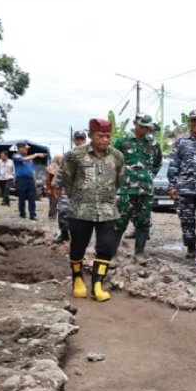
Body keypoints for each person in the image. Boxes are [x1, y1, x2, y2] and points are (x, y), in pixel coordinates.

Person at [62, 118, 124, 302]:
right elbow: (68, 181)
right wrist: (80, 198)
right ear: (90, 136)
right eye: (100, 136)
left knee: (106, 247)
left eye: (108, 136)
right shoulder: (75, 155)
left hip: (107, 210)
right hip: (81, 210)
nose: (105, 140)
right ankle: (77, 279)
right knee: (78, 247)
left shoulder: (117, 156)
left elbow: (118, 180)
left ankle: (98, 284)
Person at [114, 113, 162, 263]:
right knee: (119, 221)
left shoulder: (153, 144)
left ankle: (139, 254)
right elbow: (112, 163)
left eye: (147, 127)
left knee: (143, 221)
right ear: (135, 124)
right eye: (142, 126)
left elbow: (157, 164)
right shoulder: (122, 142)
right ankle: (112, 254)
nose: (144, 129)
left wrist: (148, 176)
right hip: (125, 190)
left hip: (145, 190)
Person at [169, 109, 196, 260]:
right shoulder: (181, 142)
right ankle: (191, 247)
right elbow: (174, 164)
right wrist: (172, 185)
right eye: (193, 120)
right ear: (189, 123)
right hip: (185, 188)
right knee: (187, 221)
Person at [53, 131, 88, 243]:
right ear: (74, 140)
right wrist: (58, 185)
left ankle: (79, 238)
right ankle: (64, 233)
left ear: (85, 140)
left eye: (81, 139)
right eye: (77, 139)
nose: (79, 141)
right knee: (63, 210)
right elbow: (61, 171)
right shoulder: (68, 155)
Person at [12, 141, 46, 220]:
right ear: (20, 148)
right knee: (21, 198)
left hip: (30, 180)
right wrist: (36, 154)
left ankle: (32, 215)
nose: (27, 150)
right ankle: (22, 214)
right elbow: (23, 159)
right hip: (21, 180)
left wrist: (35, 182)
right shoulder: (16, 156)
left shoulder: (30, 160)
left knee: (32, 198)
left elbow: (33, 171)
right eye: (25, 148)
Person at [45, 154, 63, 219]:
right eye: (61, 159)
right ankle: (52, 216)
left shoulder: (60, 167)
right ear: (57, 159)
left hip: (58, 188)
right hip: (52, 188)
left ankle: (53, 216)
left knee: (55, 203)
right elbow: (47, 180)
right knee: (53, 203)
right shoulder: (50, 167)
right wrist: (48, 188)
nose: (62, 160)